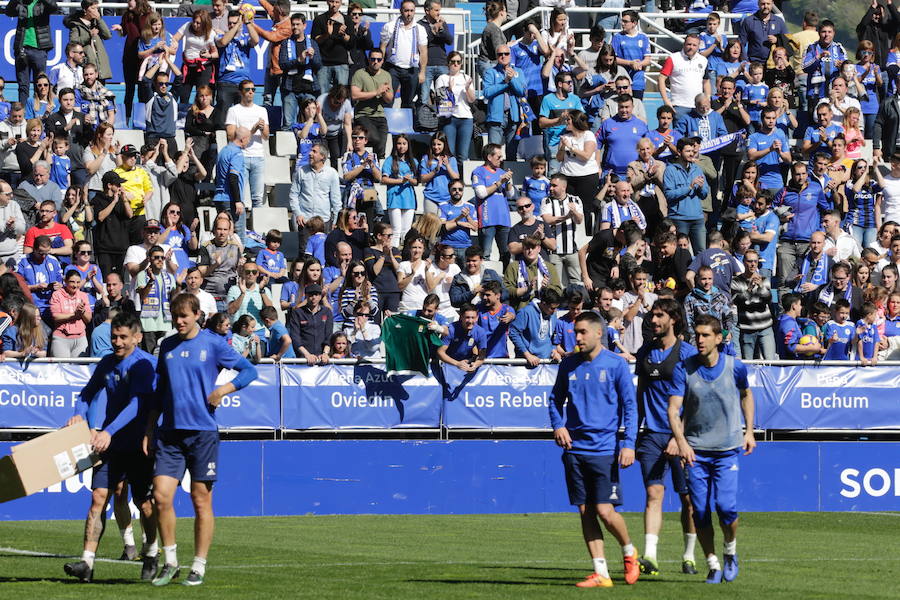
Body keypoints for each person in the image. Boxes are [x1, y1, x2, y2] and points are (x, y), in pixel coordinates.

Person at [144, 293, 258, 586]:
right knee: (160, 496)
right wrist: (149, 428)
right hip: (169, 432)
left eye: (184, 316)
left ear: (197, 315)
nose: (179, 321)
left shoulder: (214, 343)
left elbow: (249, 370)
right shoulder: (167, 345)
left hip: (202, 433)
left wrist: (223, 390)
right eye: (175, 316)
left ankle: (198, 565)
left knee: (200, 499)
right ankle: (170, 561)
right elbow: (159, 390)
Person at [62, 311, 158, 584]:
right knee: (98, 498)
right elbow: (86, 393)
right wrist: (80, 414)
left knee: (144, 503)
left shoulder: (144, 364)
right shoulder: (106, 363)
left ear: (137, 337)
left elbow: (137, 405)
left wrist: (108, 431)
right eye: (114, 336)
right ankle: (87, 563)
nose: (117, 342)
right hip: (110, 445)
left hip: (139, 444)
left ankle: (151, 552)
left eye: (123, 337)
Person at [549, 310, 639, 588]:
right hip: (575, 449)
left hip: (604, 450)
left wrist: (629, 444)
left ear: (599, 333)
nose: (577, 337)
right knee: (585, 511)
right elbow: (554, 399)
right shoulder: (568, 365)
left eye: (582, 332)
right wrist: (558, 426)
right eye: (575, 332)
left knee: (604, 510)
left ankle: (629, 551)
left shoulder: (615, 365)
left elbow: (631, 406)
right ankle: (601, 573)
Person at [667, 314, 756, 584]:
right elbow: (673, 409)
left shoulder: (735, 367)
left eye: (706, 335)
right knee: (701, 510)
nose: (700, 340)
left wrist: (750, 431)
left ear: (719, 338)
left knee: (726, 507)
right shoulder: (684, 368)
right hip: (696, 452)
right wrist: (681, 442)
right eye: (698, 335)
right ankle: (713, 564)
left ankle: (730, 552)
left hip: (727, 449)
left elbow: (746, 395)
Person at [633, 298, 699, 577]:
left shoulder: (688, 354)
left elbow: (696, 400)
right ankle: (650, 556)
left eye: (659, 316)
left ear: (673, 319)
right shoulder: (644, 352)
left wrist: (680, 437)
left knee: (688, 500)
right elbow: (639, 395)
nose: (653, 321)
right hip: (650, 435)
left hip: (682, 437)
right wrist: (633, 432)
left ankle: (689, 555)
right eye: (652, 316)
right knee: (653, 493)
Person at [225, 80, 269, 211]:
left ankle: (258, 229)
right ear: (241, 92)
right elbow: (231, 136)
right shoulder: (234, 110)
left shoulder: (262, 110)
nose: (251, 92)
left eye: (253, 89)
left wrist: (261, 129)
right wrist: (253, 129)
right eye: (247, 89)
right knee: (241, 197)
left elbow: (266, 136)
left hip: (258, 156)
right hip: (240, 156)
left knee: (258, 198)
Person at [379, 0, 428, 109]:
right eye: (406, 10)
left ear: (415, 11)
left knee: (408, 102)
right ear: (401, 11)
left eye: (411, 10)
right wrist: (380, 68)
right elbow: (382, 48)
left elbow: (423, 52)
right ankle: (386, 125)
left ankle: (407, 126)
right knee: (387, 99)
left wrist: (422, 72)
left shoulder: (420, 29)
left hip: (411, 69)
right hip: (392, 68)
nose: (409, 13)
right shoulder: (390, 26)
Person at [472, 144, 515, 265]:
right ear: (489, 157)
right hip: (487, 219)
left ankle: (507, 282)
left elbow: (511, 195)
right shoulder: (478, 172)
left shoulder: (502, 172)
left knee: (506, 254)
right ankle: (485, 281)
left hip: (504, 219)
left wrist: (508, 182)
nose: (501, 159)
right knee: (485, 254)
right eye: (499, 156)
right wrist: (500, 181)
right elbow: (481, 193)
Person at [663, 137, 708, 254]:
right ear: (679, 152)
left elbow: (704, 195)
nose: (691, 154)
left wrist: (702, 187)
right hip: (679, 218)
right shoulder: (670, 170)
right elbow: (669, 195)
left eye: (693, 151)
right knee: (680, 253)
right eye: (688, 151)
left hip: (697, 218)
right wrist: (689, 187)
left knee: (701, 253)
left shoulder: (697, 169)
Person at [289, 143, 341, 243]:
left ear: (323, 156)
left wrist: (335, 221)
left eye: (314, 151)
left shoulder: (332, 173)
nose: (310, 153)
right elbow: (293, 195)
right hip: (305, 220)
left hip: (324, 221)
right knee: (305, 253)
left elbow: (336, 200)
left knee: (323, 252)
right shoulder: (301, 171)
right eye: (311, 151)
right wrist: (298, 214)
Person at [216, 9, 260, 127]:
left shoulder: (244, 39)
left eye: (234, 23)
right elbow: (223, 41)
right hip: (225, 82)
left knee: (243, 117)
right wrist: (237, 26)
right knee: (222, 117)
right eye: (229, 23)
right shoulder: (220, 35)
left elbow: (256, 40)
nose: (231, 25)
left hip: (243, 83)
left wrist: (248, 23)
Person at [279, 13, 322, 130]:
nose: (295, 27)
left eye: (298, 24)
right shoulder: (285, 43)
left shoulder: (312, 43)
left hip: (308, 88)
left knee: (310, 122)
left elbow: (319, 65)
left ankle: (308, 147)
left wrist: (312, 58)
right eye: (293, 24)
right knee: (288, 124)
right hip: (290, 89)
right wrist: (299, 60)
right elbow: (282, 64)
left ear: (304, 25)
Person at [483, 45, 527, 158]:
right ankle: (494, 175)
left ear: (510, 56)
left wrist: (512, 80)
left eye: (506, 54)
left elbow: (522, 91)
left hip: (513, 117)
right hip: (496, 117)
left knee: (512, 153)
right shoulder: (490, 72)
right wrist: (505, 82)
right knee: (493, 153)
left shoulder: (518, 71)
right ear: (497, 56)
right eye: (500, 54)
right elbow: (487, 92)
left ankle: (510, 175)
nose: (503, 56)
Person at [541, 173, 583, 287]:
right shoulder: (546, 201)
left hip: (572, 250)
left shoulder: (575, 199)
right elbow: (547, 219)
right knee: (555, 284)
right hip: (554, 251)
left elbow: (579, 220)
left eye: (554, 186)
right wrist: (566, 217)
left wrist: (574, 212)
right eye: (550, 185)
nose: (551, 188)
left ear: (563, 187)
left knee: (577, 283)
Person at [350, 48, 393, 159]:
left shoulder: (386, 75)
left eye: (379, 59)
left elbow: (389, 99)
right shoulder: (360, 74)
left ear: (383, 61)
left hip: (380, 115)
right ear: (368, 60)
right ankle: (362, 159)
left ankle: (378, 172)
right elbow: (354, 95)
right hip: (363, 115)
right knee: (375, 139)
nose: (376, 62)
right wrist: (376, 92)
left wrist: (383, 93)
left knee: (381, 146)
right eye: (373, 59)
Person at [658, 34, 710, 123]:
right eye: (689, 44)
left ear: (698, 46)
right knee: (680, 136)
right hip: (679, 105)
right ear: (684, 44)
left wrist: (707, 98)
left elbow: (706, 82)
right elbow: (661, 79)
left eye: (694, 45)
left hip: (698, 107)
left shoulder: (703, 60)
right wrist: (666, 101)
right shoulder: (673, 58)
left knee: (696, 136)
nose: (691, 47)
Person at [510, 286, 563, 367]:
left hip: (546, 363)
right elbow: (513, 333)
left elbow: (551, 337)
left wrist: (554, 350)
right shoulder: (526, 312)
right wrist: (527, 355)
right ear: (543, 303)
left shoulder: (553, 314)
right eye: (552, 308)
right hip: (526, 363)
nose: (555, 311)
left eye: (556, 308)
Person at [213, 126, 250, 244]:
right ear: (243, 139)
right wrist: (238, 200)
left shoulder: (224, 150)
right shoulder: (237, 153)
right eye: (248, 139)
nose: (248, 142)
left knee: (224, 238)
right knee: (238, 237)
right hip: (231, 199)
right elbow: (233, 177)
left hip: (220, 197)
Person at [803, 20, 848, 110]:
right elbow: (804, 67)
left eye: (829, 32)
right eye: (824, 32)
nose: (826, 34)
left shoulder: (839, 48)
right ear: (819, 33)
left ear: (833, 33)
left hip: (834, 93)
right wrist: (818, 57)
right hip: (815, 93)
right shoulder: (811, 48)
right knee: (815, 121)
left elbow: (848, 71)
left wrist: (842, 67)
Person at [311, 0, 352, 94]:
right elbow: (315, 41)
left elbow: (351, 43)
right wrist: (327, 34)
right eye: (332, 1)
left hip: (341, 63)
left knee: (341, 96)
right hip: (323, 64)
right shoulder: (319, 19)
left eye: (337, 2)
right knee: (322, 97)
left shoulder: (347, 19)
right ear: (327, 2)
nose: (334, 5)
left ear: (341, 2)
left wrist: (343, 35)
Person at [436, 303, 486, 372]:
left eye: (473, 318)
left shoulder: (481, 332)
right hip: (448, 366)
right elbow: (440, 352)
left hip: (467, 366)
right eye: (467, 317)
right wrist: (457, 364)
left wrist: (474, 365)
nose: (470, 321)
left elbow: (482, 356)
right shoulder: (451, 329)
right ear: (461, 317)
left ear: (477, 317)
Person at [737, 0, 788, 64]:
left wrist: (777, 40)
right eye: (763, 4)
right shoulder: (749, 21)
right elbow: (741, 43)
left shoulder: (779, 21)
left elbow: (788, 40)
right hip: (754, 62)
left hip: (775, 63)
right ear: (758, 4)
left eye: (768, 4)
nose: (765, 6)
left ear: (772, 4)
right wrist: (745, 60)